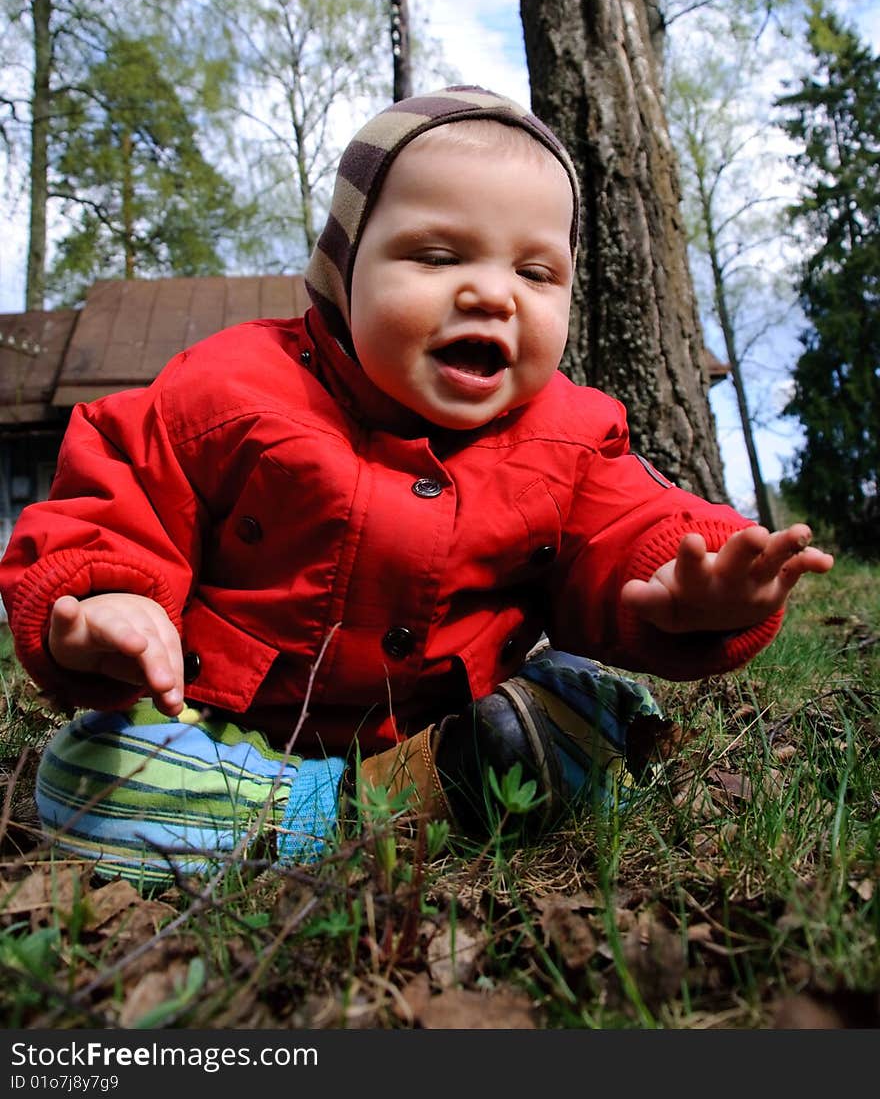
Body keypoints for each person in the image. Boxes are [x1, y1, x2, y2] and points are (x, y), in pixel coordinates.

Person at [0, 85, 833, 889]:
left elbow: (635, 520)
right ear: (342, 267)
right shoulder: (231, 387)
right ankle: (338, 813)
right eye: (438, 256)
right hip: (232, 733)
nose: (492, 293)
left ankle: (424, 784)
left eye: (538, 274)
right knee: (84, 771)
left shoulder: (571, 432)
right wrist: (109, 596)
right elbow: (122, 485)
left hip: (449, 728)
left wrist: (694, 583)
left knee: (600, 700)